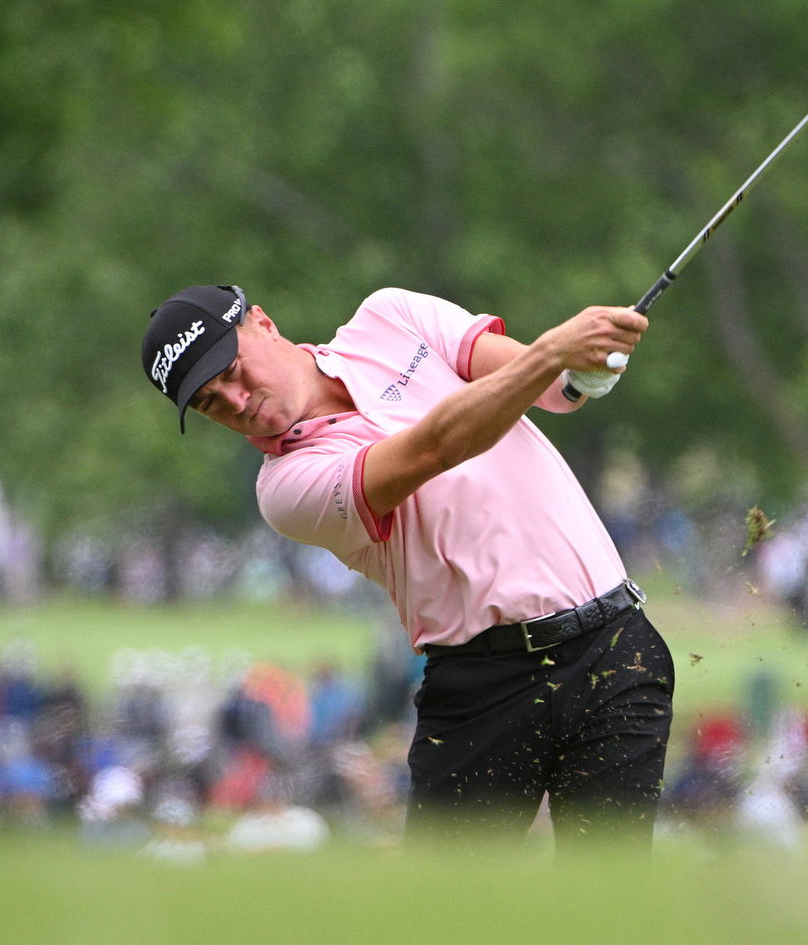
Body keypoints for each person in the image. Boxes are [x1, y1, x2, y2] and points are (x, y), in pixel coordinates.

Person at [141, 284, 672, 848]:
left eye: (231, 369)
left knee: (606, 888)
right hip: (483, 687)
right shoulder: (288, 488)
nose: (236, 401)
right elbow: (435, 449)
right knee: (452, 911)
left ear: (263, 323)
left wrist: (581, 368)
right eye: (209, 402)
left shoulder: (390, 317)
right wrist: (554, 353)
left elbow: (547, 387)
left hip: (614, 647)